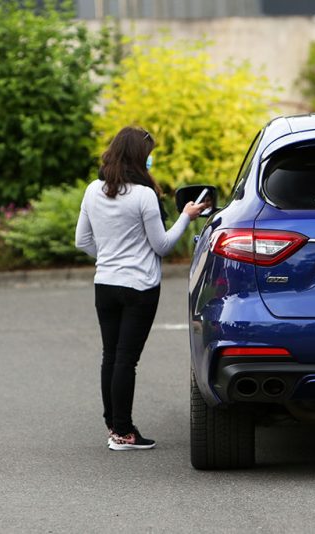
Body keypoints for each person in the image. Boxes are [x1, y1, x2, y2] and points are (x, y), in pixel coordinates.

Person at [75, 126, 207, 451]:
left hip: (105, 284)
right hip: (139, 287)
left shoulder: (94, 190)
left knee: (111, 355)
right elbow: (161, 245)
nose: (151, 160)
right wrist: (187, 217)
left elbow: (82, 241)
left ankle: (113, 424)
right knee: (126, 360)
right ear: (138, 157)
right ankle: (123, 433)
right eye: (149, 155)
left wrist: (108, 256)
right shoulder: (145, 196)